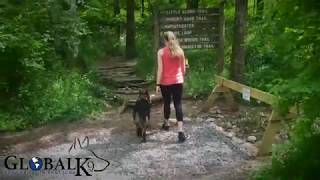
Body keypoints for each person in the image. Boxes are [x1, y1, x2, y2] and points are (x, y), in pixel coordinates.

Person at [156, 31, 187, 143]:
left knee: (167, 103)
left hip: (165, 83)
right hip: (178, 81)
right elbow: (183, 68)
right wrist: (181, 78)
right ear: (174, 39)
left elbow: (160, 69)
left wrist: (157, 84)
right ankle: (180, 131)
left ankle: (167, 123)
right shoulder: (180, 51)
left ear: (165, 41)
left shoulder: (161, 52)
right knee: (178, 104)